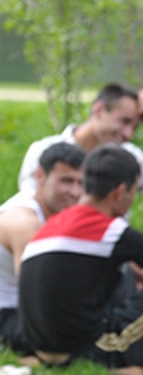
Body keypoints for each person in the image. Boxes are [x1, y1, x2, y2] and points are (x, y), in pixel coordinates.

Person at [18, 145, 143, 375]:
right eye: (134, 192)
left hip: (44, 349)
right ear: (120, 192)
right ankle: (131, 355)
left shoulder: (51, 225)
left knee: (127, 271)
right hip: (91, 351)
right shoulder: (110, 230)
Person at [18, 83, 143, 198]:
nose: (128, 134)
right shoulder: (43, 151)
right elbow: (32, 209)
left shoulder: (127, 158)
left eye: (135, 127)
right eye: (124, 122)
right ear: (99, 110)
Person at [0, 143, 85, 354]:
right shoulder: (24, 221)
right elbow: (36, 294)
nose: (74, 192)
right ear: (40, 176)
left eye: (80, 183)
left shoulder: (61, 213)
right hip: (7, 313)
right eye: (66, 181)